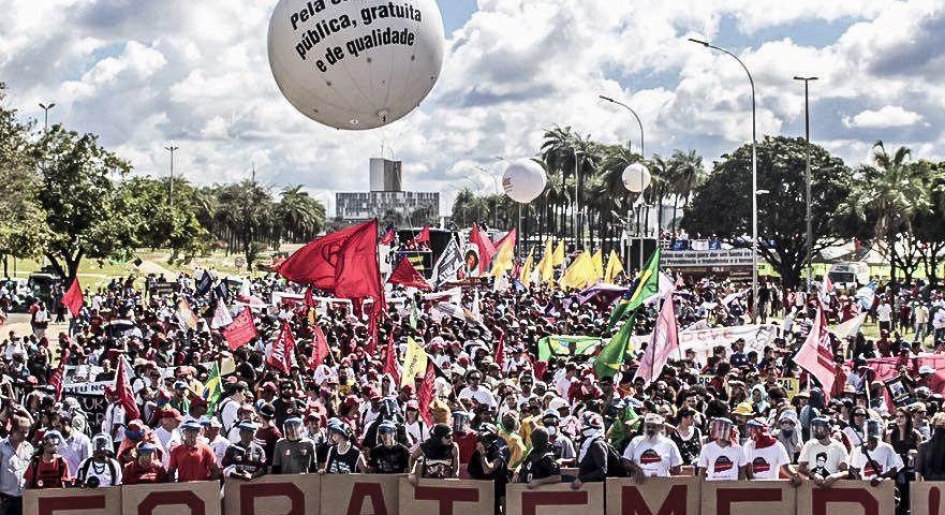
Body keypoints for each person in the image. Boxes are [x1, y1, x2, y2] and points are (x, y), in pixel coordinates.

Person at [621, 414, 682, 480]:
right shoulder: (636, 441)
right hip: (639, 485)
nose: (650, 429)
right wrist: (636, 469)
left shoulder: (670, 444)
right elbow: (625, 461)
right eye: (648, 426)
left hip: (663, 486)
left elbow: (677, 469)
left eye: (654, 426)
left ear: (661, 427)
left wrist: (662, 475)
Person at [467, 424, 509, 514]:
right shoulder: (476, 453)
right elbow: (471, 472)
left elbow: (488, 470)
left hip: (496, 491)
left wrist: (482, 454)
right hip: (481, 491)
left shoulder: (497, 450)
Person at [742, 419, 799, 483]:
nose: (750, 430)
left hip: (773, 485)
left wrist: (795, 477)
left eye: (752, 428)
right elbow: (748, 468)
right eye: (749, 428)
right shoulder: (748, 445)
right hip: (755, 486)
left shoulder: (777, 446)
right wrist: (753, 484)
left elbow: (784, 467)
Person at [798, 417, 849, 488]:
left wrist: (835, 477)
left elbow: (846, 471)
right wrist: (814, 475)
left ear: (827, 429)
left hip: (834, 487)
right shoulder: (809, 444)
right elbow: (801, 467)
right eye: (814, 428)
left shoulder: (839, 446)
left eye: (819, 428)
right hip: (812, 487)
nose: (816, 431)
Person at [849, 419, 902, 486]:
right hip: (865, 488)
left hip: (883, 486)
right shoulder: (858, 450)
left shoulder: (887, 448)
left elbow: (894, 470)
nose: (871, 443)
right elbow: (856, 470)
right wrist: (861, 484)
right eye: (869, 439)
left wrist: (881, 477)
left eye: (873, 440)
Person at [0, 416, 33, 515]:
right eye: (22, 432)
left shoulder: (29, 448)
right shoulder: (1, 447)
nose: (25, 435)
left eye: (27, 432)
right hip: (5, 499)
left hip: (24, 498)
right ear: (13, 430)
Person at [50, 411, 91, 481]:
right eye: (54, 427)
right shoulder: (53, 441)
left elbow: (88, 464)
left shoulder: (83, 440)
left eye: (58, 426)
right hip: (59, 484)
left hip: (78, 484)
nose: (56, 430)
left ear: (66, 423)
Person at [573, 412, 608, 490]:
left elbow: (602, 471)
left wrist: (582, 479)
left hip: (597, 490)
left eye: (584, 424)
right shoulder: (588, 443)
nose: (582, 428)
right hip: (589, 488)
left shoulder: (597, 444)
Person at [915, 412, 945, 481]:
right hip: (930, 486)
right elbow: (918, 470)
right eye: (940, 426)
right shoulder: (923, 446)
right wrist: (919, 487)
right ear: (934, 426)